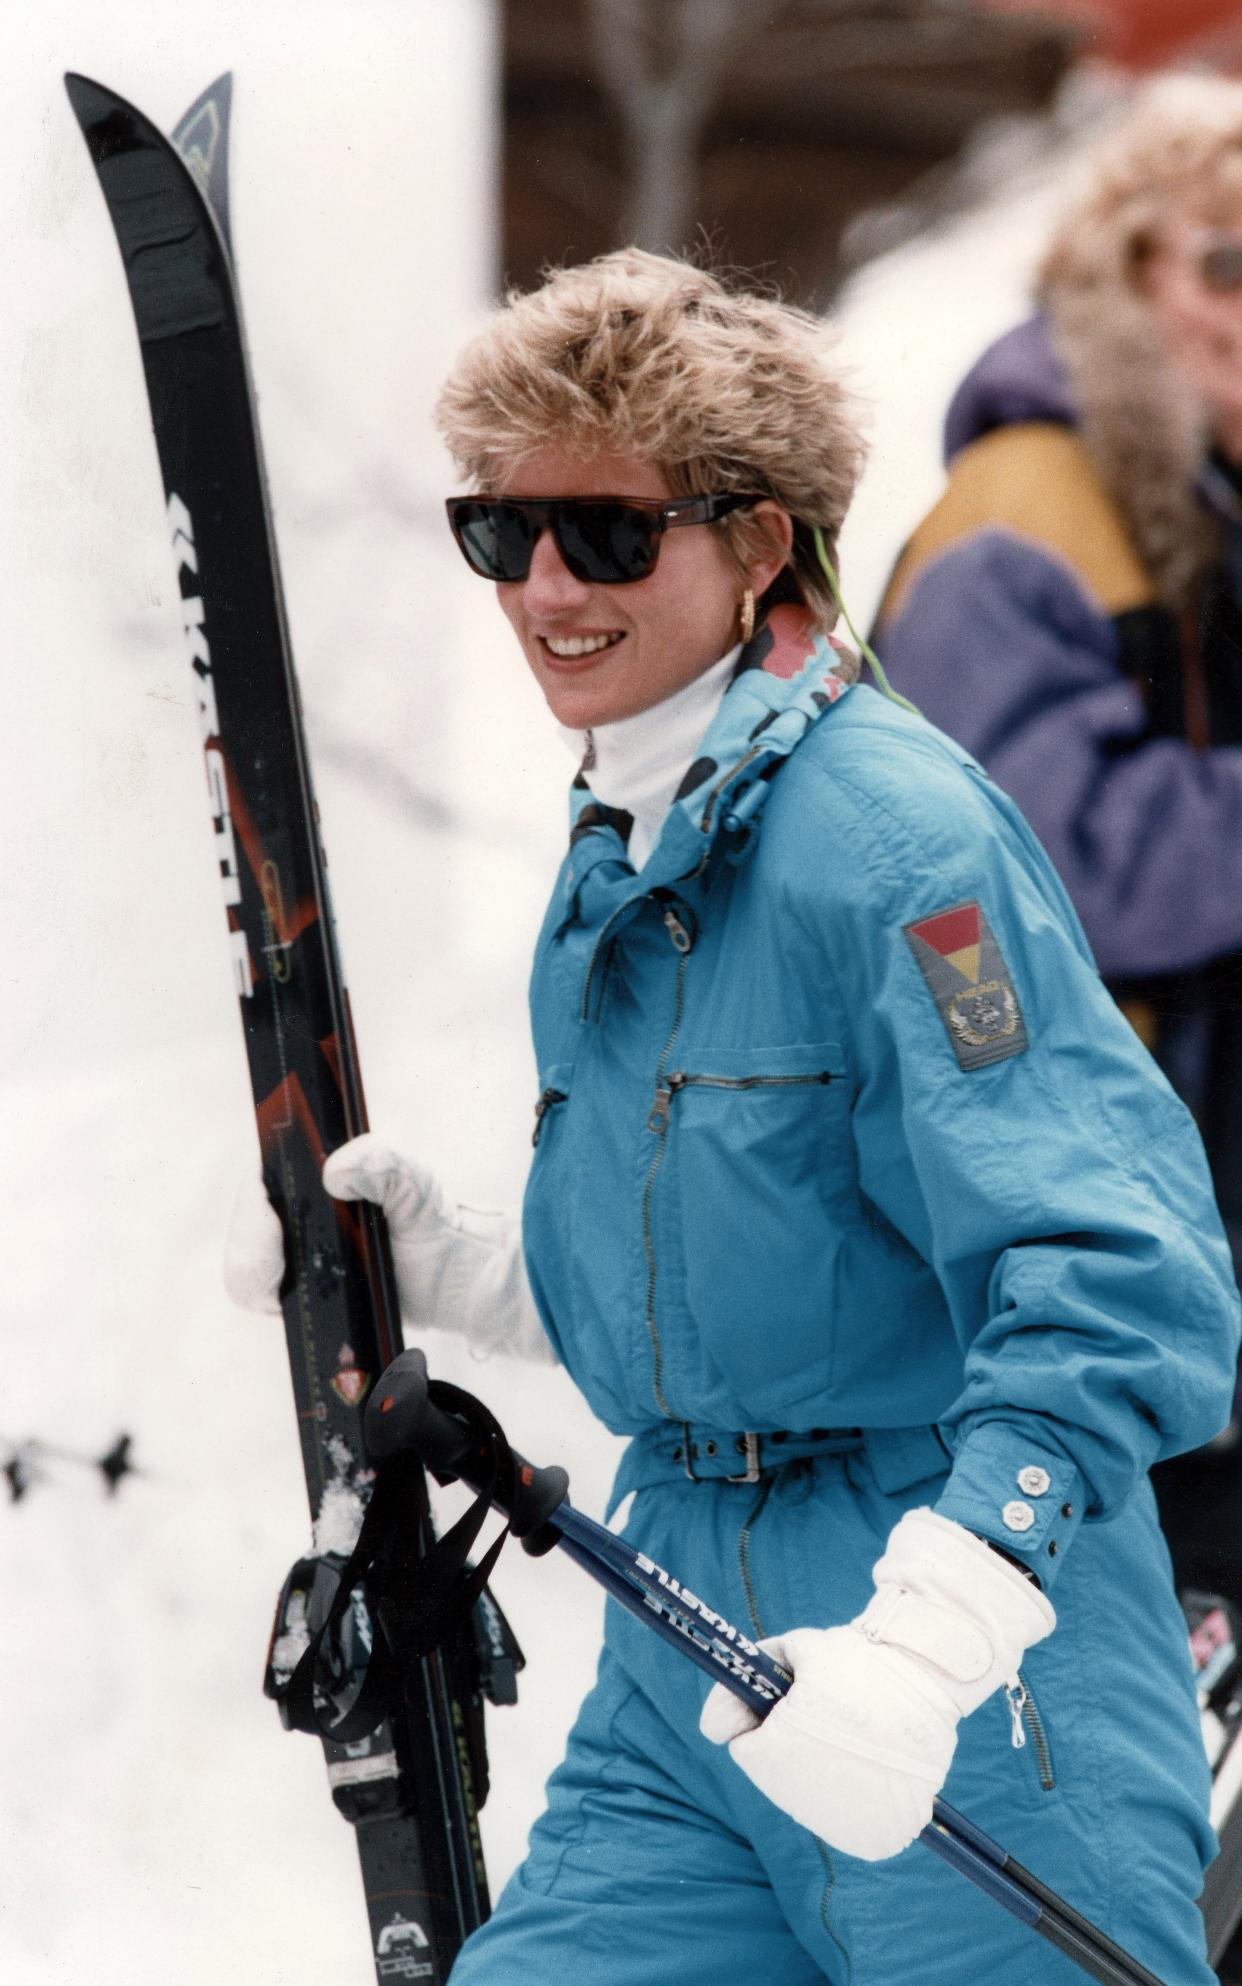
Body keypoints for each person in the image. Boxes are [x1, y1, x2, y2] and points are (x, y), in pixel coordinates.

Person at [227, 247, 1239, 1985]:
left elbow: (1117, 1270)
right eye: (501, 532)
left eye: (608, 534)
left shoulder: (900, 849)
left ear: (761, 539)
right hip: (689, 1635)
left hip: (984, 1691)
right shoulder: (624, 833)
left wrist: (928, 1640)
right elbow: (774, 1261)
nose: (546, 586)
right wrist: (472, 1269)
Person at [871, 75, 1242, 1607]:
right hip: (1062, 1243)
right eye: (1221, 263)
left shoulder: (1200, 505)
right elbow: (1038, 876)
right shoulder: (1025, 505)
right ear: (1118, 276)